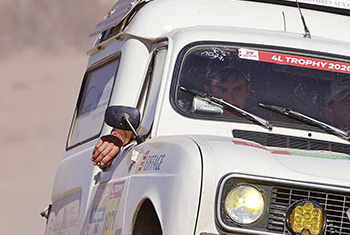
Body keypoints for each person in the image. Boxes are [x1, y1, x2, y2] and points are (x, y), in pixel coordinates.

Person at [90, 61, 252, 168]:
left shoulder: (264, 123)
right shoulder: (186, 113)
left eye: (237, 89)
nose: (230, 97)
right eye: (222, 89)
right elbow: (137, 127)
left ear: (248, 90)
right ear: (207, 90)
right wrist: (117, 138)